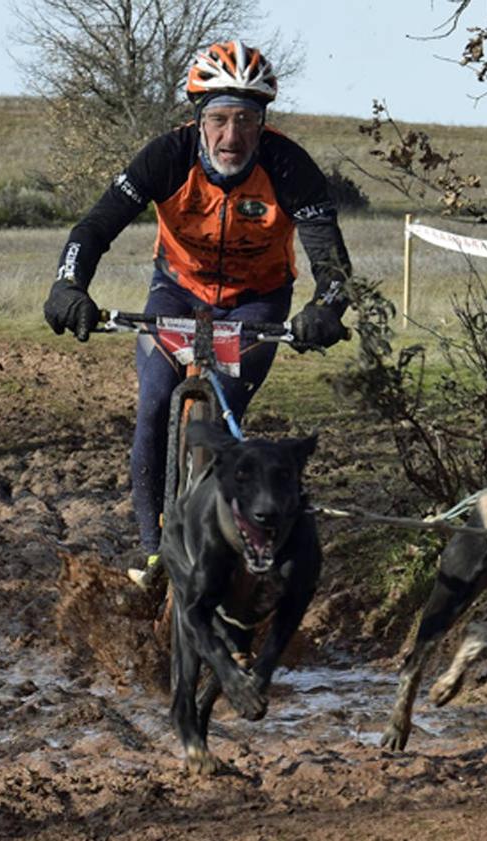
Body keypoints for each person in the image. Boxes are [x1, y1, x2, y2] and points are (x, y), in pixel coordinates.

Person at [43, 40, 352, 587]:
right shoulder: (167, 156)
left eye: (246, 120)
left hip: (257, 300)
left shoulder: (290, 165)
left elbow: (332, 260)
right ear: (198, 119)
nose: (231, 137)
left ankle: (224, 544)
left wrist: (324, 309)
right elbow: (92, 229)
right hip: (177, 291)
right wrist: (69, 284)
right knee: (157, 400)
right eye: (218, 119)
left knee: (225, 417)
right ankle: (152, 551)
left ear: (263, 123)